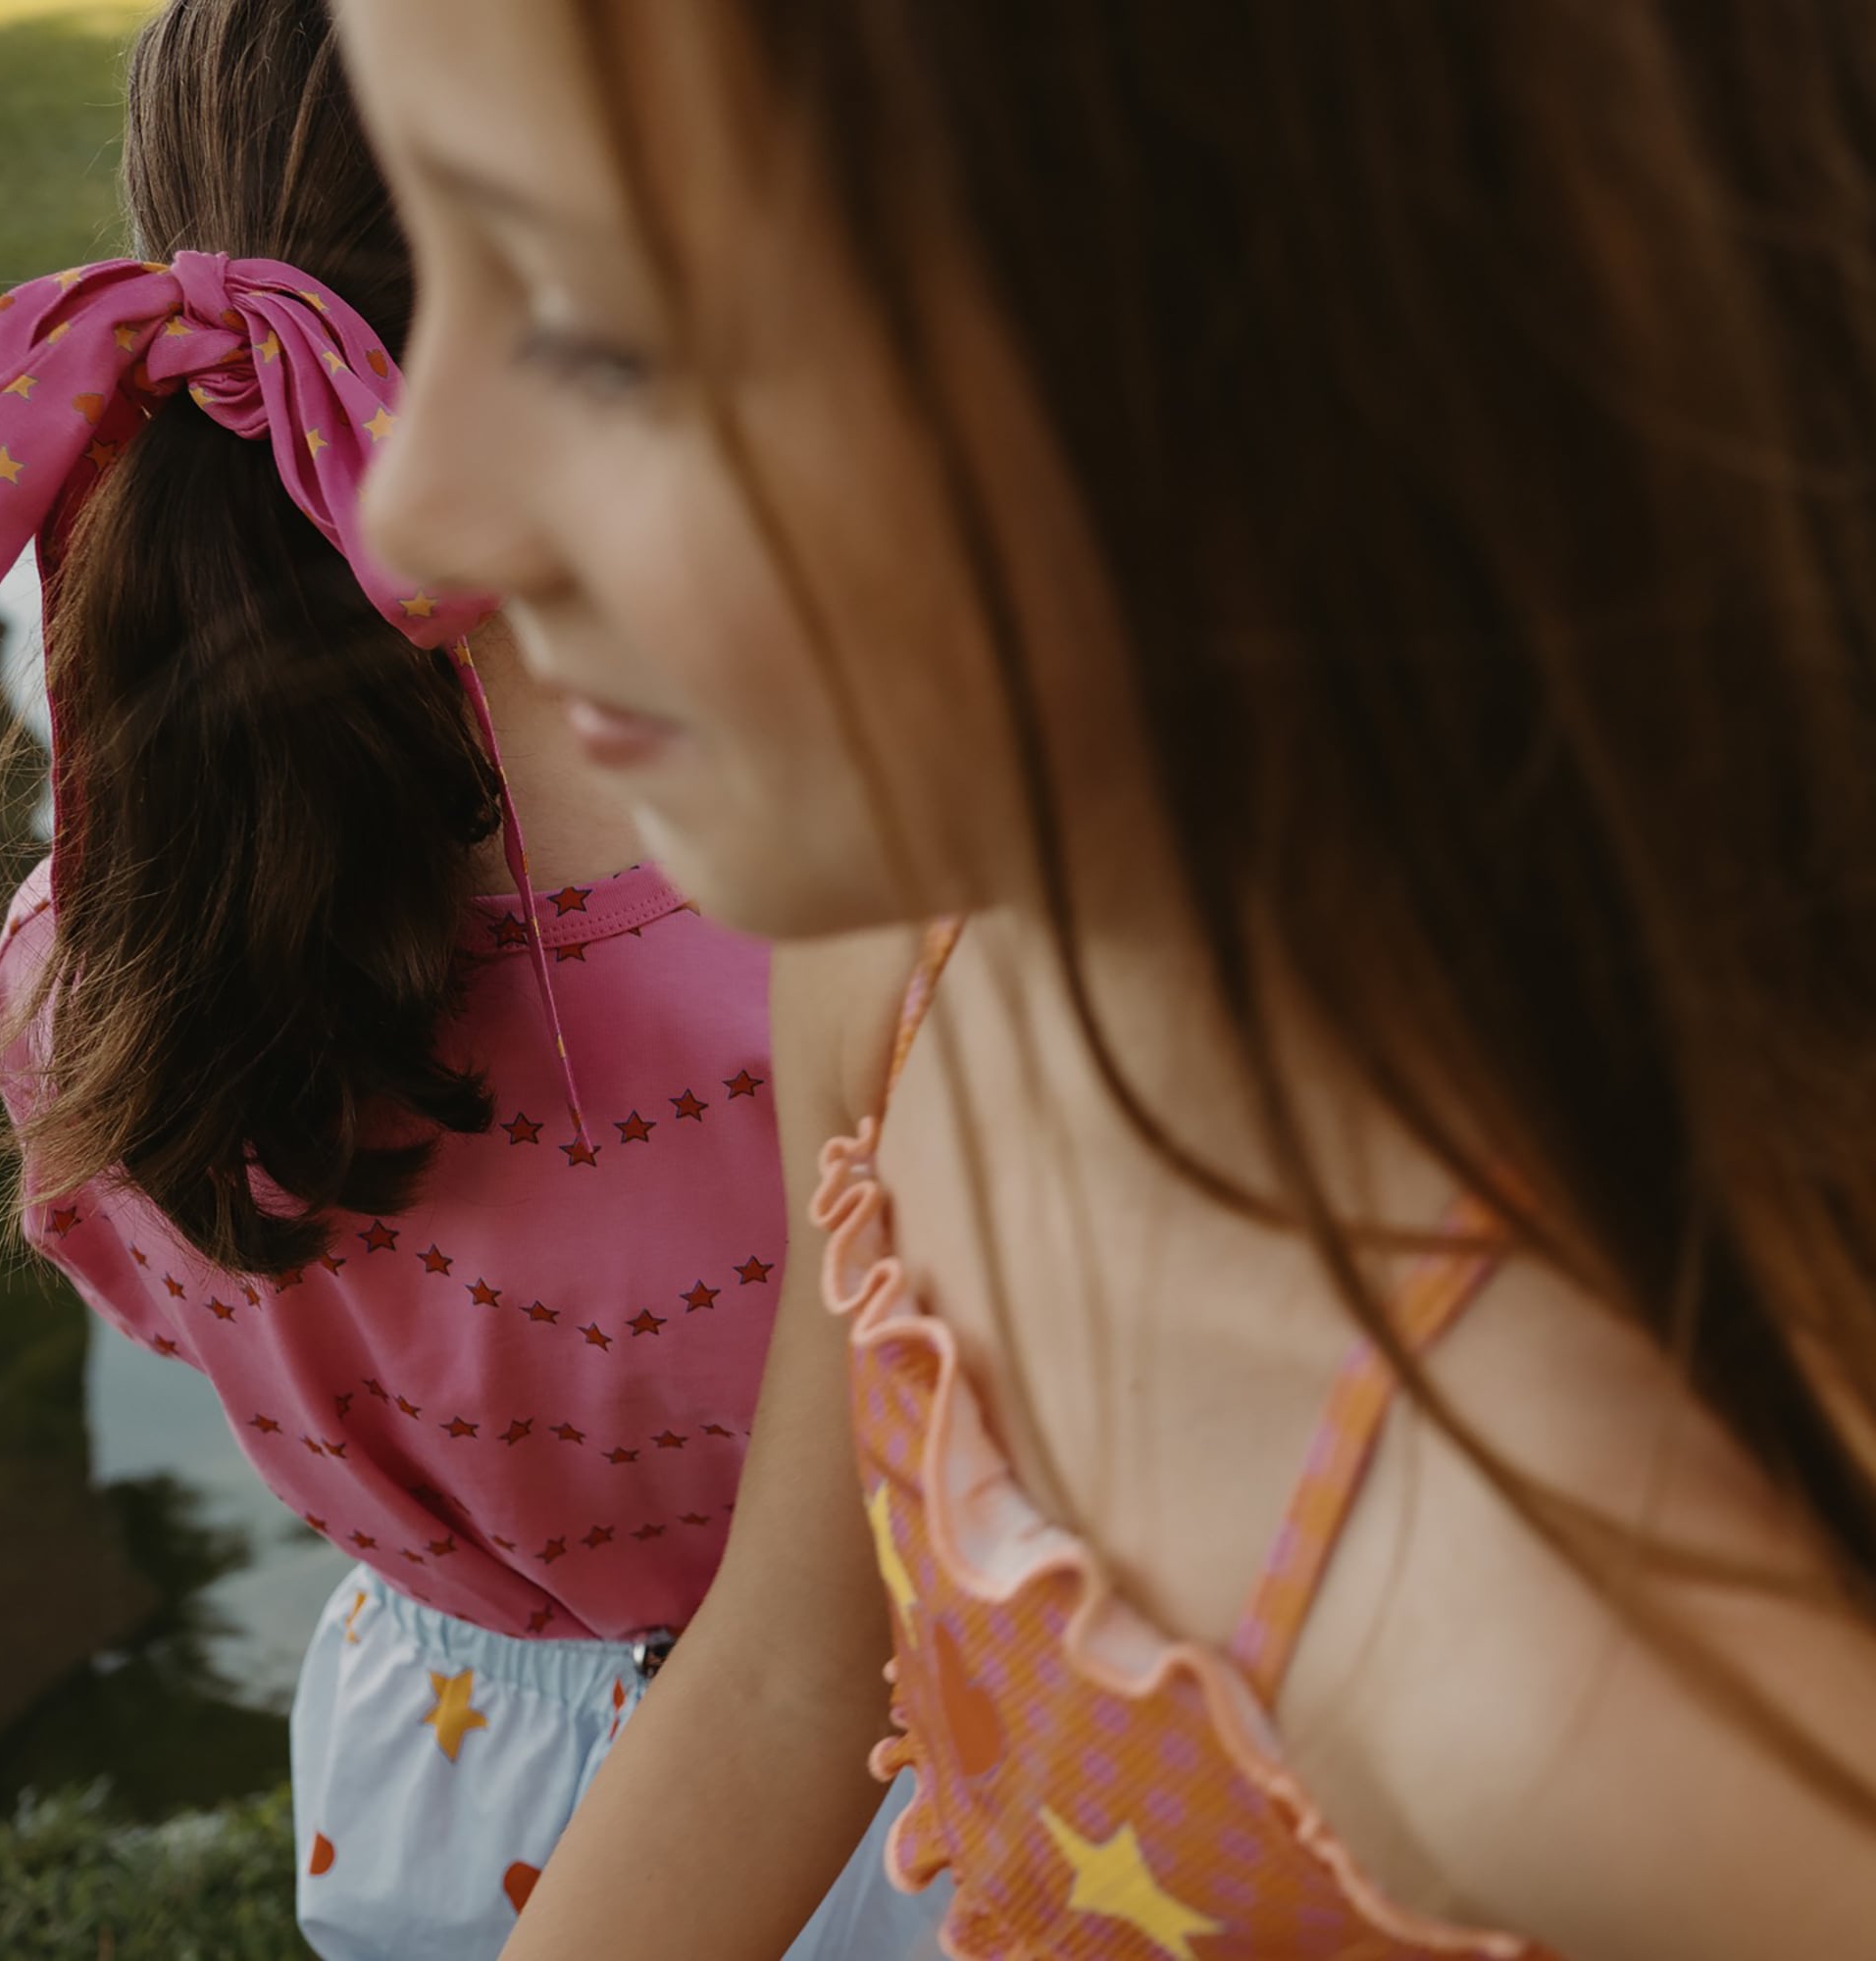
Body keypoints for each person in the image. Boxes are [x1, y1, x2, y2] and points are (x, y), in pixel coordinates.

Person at [330, 3, 1876, 1957]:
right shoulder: (911, 968)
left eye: (590, 325)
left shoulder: (1630, 1689)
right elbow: (790, 1676)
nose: (411, 517)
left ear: (1303, 351)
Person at [0, 3, 945, 1958]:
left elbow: (151, 1281)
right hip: (891, 1811)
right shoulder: (838, 922)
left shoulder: (87, 959)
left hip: (433, 1781)